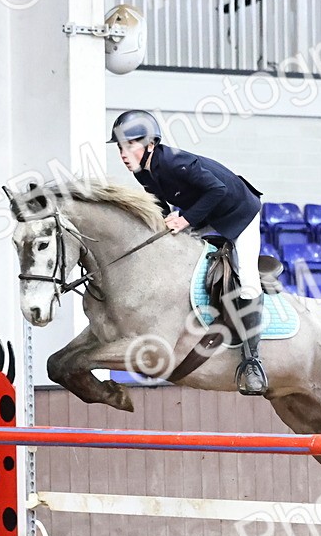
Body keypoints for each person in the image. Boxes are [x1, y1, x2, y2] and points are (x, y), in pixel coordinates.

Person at [108, 109, 268, 395]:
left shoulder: (174, 163)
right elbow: (160, 206)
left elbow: (217, 191)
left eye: (130, 145)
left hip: (240, 211)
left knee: (248, 281)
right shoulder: (145, 172)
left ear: (151, 145)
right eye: (121, 147)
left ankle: (252, 362)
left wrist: (185, 220)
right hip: (207, 211)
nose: (123, 153)